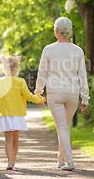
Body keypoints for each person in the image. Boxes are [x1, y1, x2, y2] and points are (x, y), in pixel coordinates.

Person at [35, 17, 89, 171]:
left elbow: (42, 74)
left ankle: (70, 162)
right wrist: (85, 97)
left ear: (56, 31)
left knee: (62, 127)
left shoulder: (49, 49)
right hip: (72, 93)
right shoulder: (78, 51)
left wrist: (38, 92)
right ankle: (60, 159)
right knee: (64, 126)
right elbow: (82, 76)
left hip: (55, 93)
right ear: (69, 31)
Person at [0, 56, 45, 170]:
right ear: (17, 68)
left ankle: (9, 161)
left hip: (5, 115)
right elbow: (28, 96)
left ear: (3, 69)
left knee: (8, 139)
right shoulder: (20, 82)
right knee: (16, 138)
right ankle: (13, 160)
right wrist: (40, 100)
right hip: (17, 115)